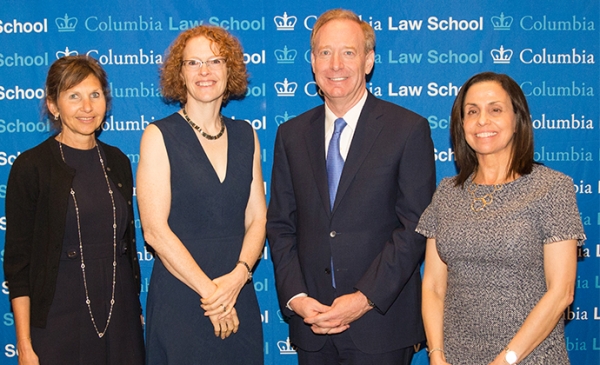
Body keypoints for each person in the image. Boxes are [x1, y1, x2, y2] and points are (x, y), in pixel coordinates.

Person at [266, 8, 436, 364]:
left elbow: (415, 228)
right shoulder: (290, 135)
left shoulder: (407, 130)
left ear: (369, 60)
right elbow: (281, 226)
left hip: (380, 327)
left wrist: (363, 299)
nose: (335, 64)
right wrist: (296, 297)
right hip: (312, 326)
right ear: (312, 62)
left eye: (348, 52)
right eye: (325, 52)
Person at [417, 72, 586, 365]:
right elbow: (433, 285)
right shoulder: (447, 193)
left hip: (530, 357)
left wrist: (507, 359)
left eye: (495, 109)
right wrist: (437, 355)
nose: (482, 121)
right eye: (472, 112)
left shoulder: (551, 188)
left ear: (517, 119)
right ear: (462, 125)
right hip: (455, 359)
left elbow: (561, 292)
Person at [137, 25, 266, 364]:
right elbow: (154, 230)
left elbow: (258, 218)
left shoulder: (246, 135)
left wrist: (238, 277)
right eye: (193, 63)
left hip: (238, 293)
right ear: (179, 73)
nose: (205, 71)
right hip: (183, 299)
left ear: (230, 69)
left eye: (215, 61)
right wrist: (212, 296)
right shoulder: (158, 135)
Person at [3, 55, 145, 365]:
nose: (87, 107)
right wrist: (24, 345)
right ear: (53, 106)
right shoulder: (31, 167)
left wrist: (136, 313)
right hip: (57, 322)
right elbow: (18, 265)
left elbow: (128, 245)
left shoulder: (118, 161)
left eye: (95, 94)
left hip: (119, 317)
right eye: (74, 96)